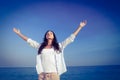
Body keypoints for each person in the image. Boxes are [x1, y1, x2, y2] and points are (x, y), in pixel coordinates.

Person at [13, 20, 87, 80]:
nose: (49, 34)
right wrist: (19, 33)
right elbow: (29, 41)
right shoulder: (40, 46)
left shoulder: (59, 46)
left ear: (53, 36)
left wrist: (80, 27)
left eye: (51, 33)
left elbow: (71, 38)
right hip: (43, 74)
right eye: (47, 33)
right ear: (45, 36)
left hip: (54, 75)